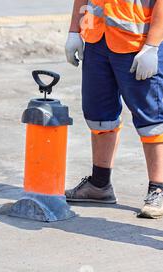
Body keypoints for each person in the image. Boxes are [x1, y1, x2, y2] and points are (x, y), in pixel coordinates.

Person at [65, 0, 163, 218]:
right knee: (99, 116)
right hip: (97, 40)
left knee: (152, 121)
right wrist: (74, 31)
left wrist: (152, 46)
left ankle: (158, 189)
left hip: (138, 44)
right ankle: (99, 185)